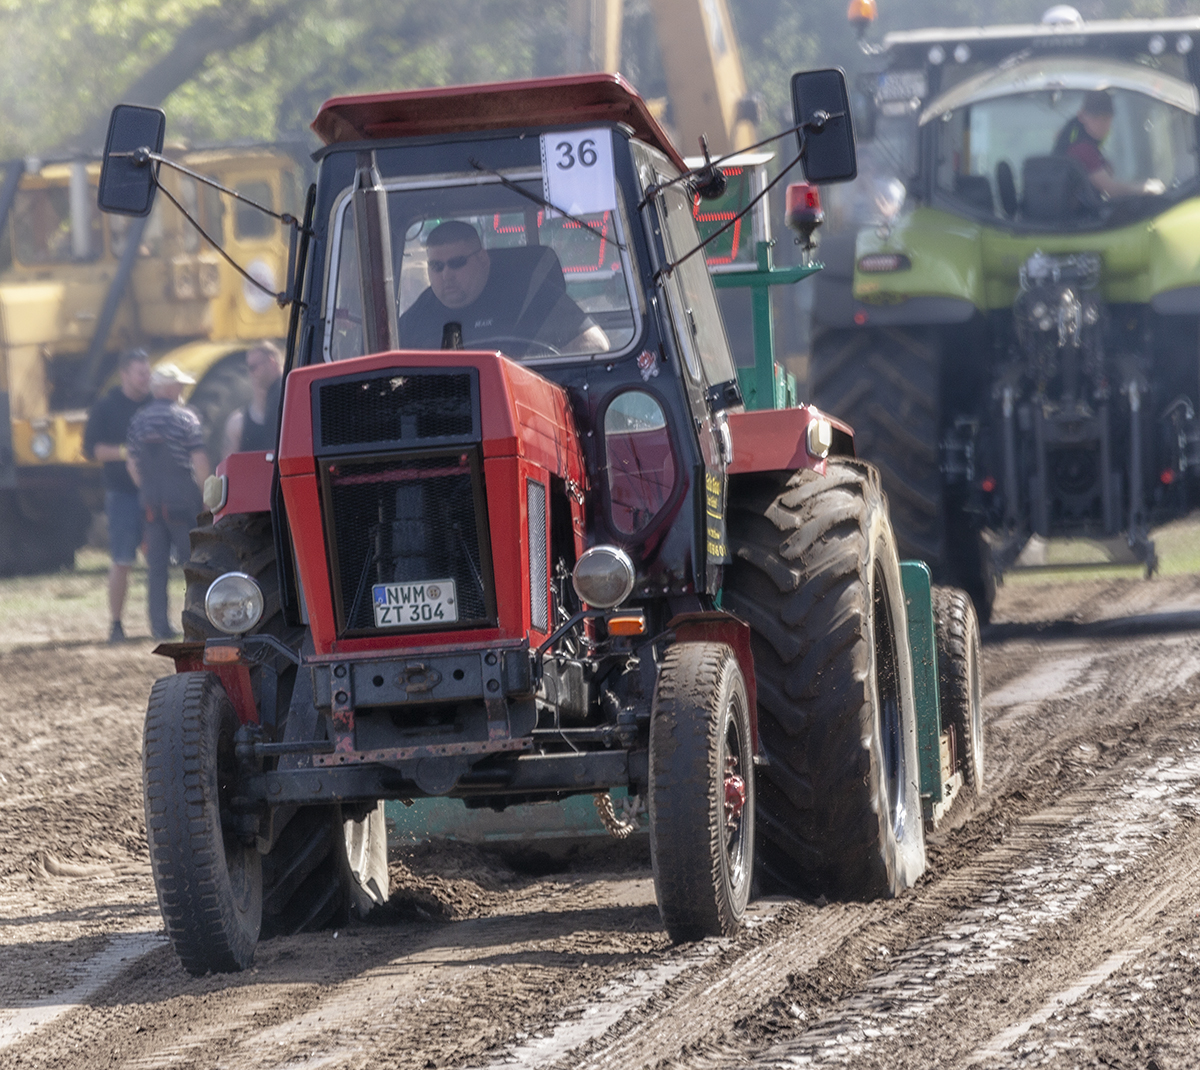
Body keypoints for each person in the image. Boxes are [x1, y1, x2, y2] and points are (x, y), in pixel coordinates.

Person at [398, 220, 609, 355]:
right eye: (436, 266)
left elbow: (595, 346)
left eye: (457, 263)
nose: (446, 275)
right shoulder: (416, 317)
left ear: (482, 259)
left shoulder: (530, 293)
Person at [126, 364, 211, 640]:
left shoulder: (138, 420)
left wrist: (149, 490)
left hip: (151, 502)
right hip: (181, 502)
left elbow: (132, 464)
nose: (183, 389)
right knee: (193, 565)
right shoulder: (186, 418)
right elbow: (198, 461)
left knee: (156, 567)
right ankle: (197, 622)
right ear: (168, 388)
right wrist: (207, 497)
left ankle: (159, 627)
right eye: (180, 385)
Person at [83, 348, 151, 644]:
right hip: (121, 494)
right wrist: (125, 452)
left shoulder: (155, 403)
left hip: (153, 493)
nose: (146, 379)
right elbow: (90, 450)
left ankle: (159, 623)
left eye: (148, 373)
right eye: (141, 373)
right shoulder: (106, 406)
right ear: (125, 374)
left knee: (158, 559)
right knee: (122, 560)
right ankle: (116, 624)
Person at [1053, 90, 1165, 198]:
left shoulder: (1082, 145)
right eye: (1096, 118)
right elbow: (1111, 190)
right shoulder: (1082, 149)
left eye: (1106, 119)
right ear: (1082, 116)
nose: (1103, 125)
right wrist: (1146, 187)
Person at [222, 340, 284, 459]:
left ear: (271, 362)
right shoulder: (239, 421)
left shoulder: (284, 394)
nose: (250, 373)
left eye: (253, 367)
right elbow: (229, 464)